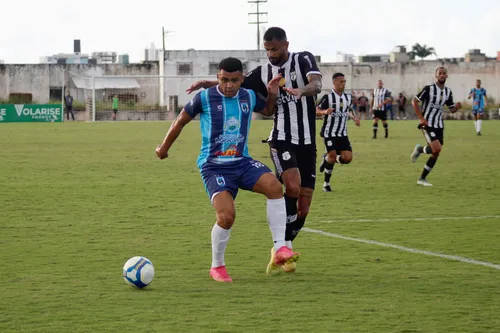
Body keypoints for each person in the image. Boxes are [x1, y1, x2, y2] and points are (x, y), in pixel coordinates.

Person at [186, 27, 322, 274]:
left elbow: (316, 84)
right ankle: (282, 246)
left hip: (308, 140)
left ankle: (283, 247)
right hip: (282, 137)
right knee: (290, 186)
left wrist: (301, 91)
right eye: (267, 50)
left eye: (275, 49)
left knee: (303, 207)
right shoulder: (262, 72)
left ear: (286, 45)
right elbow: (233, 83)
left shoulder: (303, 58)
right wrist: (207, 83)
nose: (271, 54)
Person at [155, 57, 299, 282]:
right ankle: (217, 266)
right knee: (226, 217)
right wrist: (163, 148)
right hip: (214, 166)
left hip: (241, 161)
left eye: (234, 80)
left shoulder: (248, 96)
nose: (229, 85)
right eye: (224, 80)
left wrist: (272, 91)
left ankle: (280, 248)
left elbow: (269, 110)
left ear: (242, 78)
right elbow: (180, 121)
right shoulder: (204, 97)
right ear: (217, 78)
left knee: (274, 186)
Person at [410, 67, 462, 186]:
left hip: (439, 125)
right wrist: (421, 118)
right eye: (440, 74)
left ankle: (422, 178)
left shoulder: (448, 92)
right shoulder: (429, 89)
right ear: (436, 76)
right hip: (427, 123)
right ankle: (419, 150)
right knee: (437, 148)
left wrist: (457, 106)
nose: (442, 75)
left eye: (444, 73)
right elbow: (414, 101)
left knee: (435, 152)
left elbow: (452, 109)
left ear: (447, 76)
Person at [317, 73, 360, 192]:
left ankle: (326, 158)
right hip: (329, 133)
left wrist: (354, 118)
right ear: (334, 82)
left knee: (348, 158)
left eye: (344, 81)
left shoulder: (348, 97)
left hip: (342, 133)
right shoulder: (328, 97)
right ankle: (326, 184)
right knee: (332, 156)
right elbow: (316, 110)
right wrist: (325, 111)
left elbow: (349, 110)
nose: (343, 83)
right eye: (341, 81)